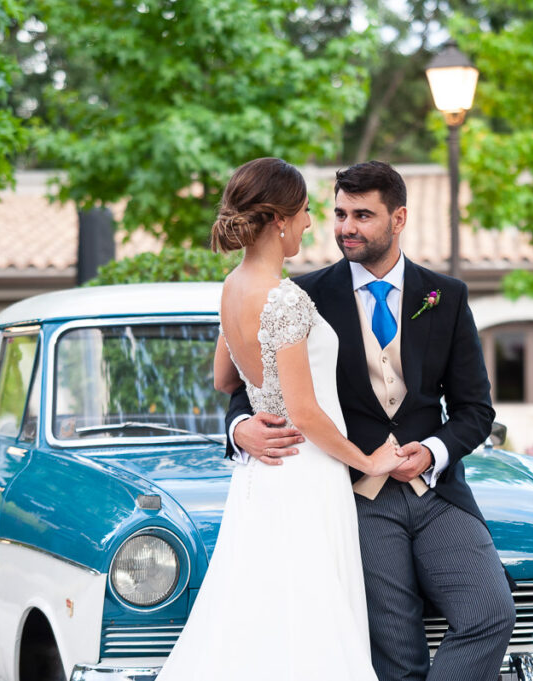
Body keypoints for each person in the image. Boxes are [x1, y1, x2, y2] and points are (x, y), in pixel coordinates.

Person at [227, 161, 516, 681]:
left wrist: (432, 452)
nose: (344, 227)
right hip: (354, 497)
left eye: (362, 214)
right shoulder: (300, 293)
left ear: (398, 218)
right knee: (395, 657)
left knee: (490, 614)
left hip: (437, 496)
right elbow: (257, 380)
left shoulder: (444, 296)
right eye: (339, 213)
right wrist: (239, 426)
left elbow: (476, 411)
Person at [156, 157, 404, 681]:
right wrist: (369, 461)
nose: (313, 223)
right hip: (305, 472)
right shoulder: (284, 298)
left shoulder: (232, 287)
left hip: (260, 474)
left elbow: (226, 379)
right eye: (307, 211)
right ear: (279, 220)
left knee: (259, 614)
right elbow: (307, 412)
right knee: (312, 615)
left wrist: (251, 416)